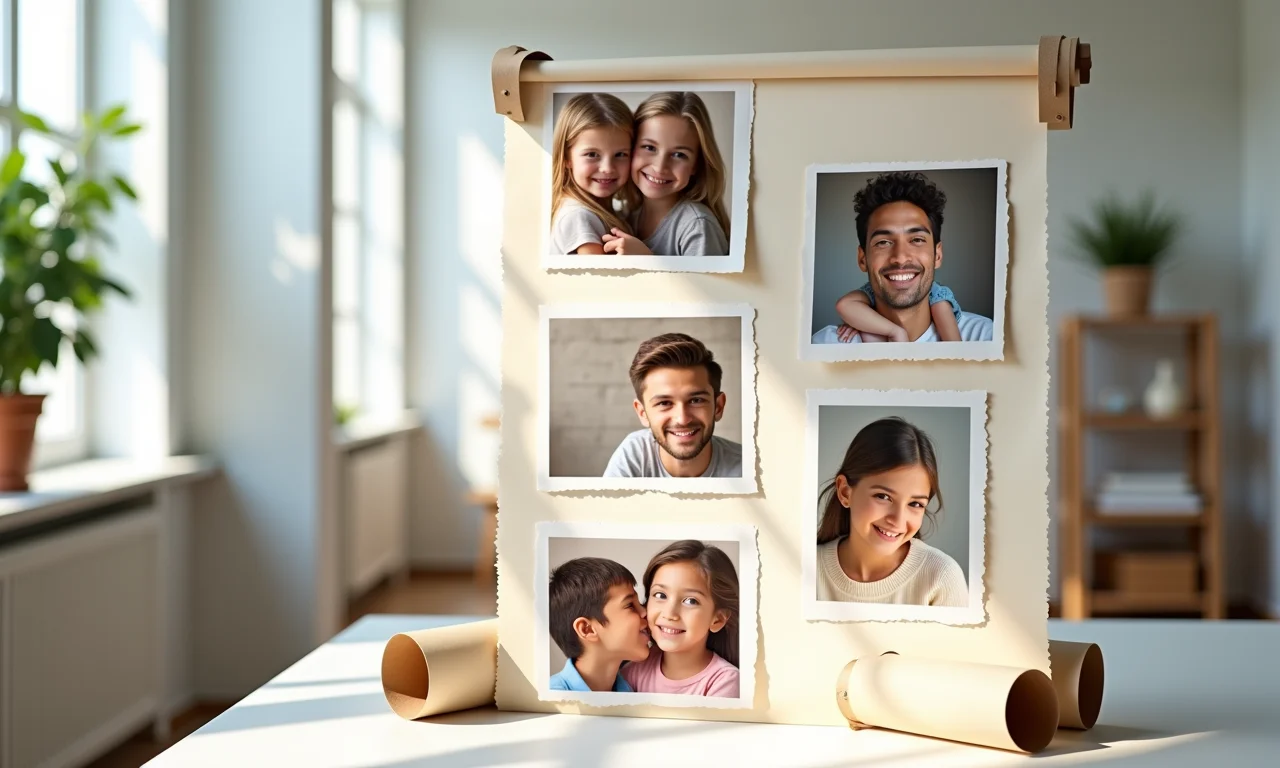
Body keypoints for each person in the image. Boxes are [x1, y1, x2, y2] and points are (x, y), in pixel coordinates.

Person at [812, 171, 993, 344]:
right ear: (862, 259)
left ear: (937, 255)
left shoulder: (987, 338)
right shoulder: (825, 346)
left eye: (916, 239)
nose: (900, 258)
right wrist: (893, 332)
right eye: (883, 242)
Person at [815, 417, 968, 607]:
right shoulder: (806, 569)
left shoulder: (942, 577)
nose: (898, 520)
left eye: (915, 504)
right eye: (883, 497)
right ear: (845, 492)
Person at [601, 92, 730, 256]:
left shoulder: (697, 226)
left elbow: (710, 283)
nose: (660, 167)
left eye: (679, 155)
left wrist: (645, 260)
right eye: (649, 147)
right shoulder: (625, 218)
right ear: (630, 149)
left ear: (696, 165)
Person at [603, 333, 743, 478]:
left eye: (696, 400)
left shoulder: (750, 469)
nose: (682, 419)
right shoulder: (634, 455)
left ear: (718, 406)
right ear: (642, 413)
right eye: (664, 403)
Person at [622, 540, 740, 697]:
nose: (670, 613)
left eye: (691, 601)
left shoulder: (725, 681)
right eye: (660, 595)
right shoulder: (634, 670)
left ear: (717, 619)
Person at [549, 93, 637, 255]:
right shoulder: (578, 217)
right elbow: (599, 280)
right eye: (592, 154)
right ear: (566, 157)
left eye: (620, 154)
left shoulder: (605, 212)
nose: (607, 168)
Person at [548, 557, 653, 692]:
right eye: (630, 605)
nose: (645, 611)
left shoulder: (635, 690)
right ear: (587, 629)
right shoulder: (553, 699)